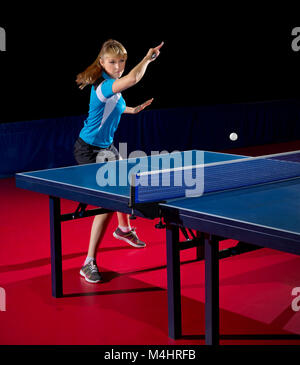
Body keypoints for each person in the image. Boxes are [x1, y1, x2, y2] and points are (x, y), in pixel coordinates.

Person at [74, 39, 164, 283]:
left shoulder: (113, 89)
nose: (118, 66)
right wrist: (146, 59)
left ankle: (123, 230)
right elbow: (134, 79)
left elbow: (114, 105)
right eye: (113, 62)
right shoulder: (104, 85)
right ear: (102, 62)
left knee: (126, 185)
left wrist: (132, 110)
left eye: (122, 61)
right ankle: (88, 262)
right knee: (105, 202)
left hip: (107, 148)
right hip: (89, 150)